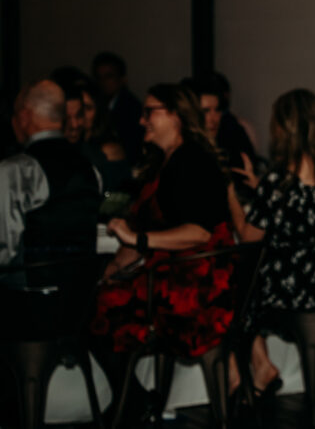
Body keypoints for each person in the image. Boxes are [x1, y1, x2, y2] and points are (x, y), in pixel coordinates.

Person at [92, 83, 234, 358]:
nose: (141, 120)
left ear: (175, 115)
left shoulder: (193, 161)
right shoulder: (164, 163)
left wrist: (139, 240)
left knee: (103, 311)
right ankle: (134, 397)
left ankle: (133, 397)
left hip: (195, 289)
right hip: (170, 277)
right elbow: (145, 231)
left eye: (149, 112)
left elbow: (199, 232)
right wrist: (112, 268)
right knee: (95, 299)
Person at [227, 88, 315, 396]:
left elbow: (247, 237)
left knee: (233, 283)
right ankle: (259, 367)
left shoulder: (278, 183)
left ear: (285, 128)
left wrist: (230, 194)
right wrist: (260, 188)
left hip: (289, 292)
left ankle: (241, 371)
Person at [0, 79, 101, 335]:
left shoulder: (16, 170)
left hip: (27, 304)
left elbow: (4, 249)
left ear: (24, 116)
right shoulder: (91, 169)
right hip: (80, 304)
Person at [92, 51, 144, 163]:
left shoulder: (131, 108)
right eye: (99, 77)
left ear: (122, 79)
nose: (103, 82)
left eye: (108, 76)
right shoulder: (97, 104)